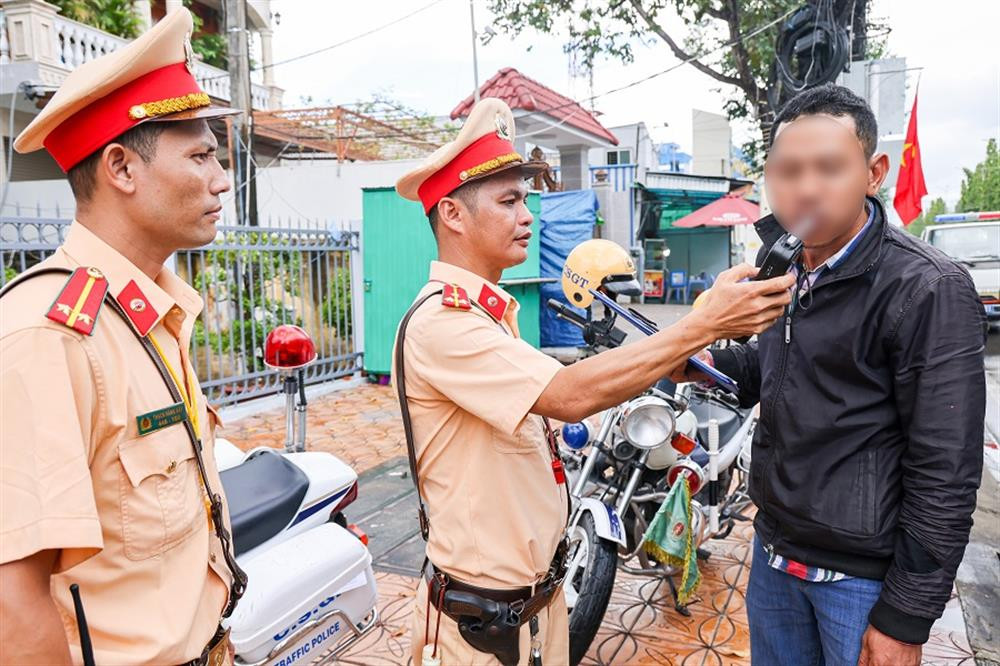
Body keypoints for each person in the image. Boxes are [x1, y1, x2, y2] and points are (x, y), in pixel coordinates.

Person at [392, 98, 796, 666]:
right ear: (453, 215)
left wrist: (693, 332)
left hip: (536, 606)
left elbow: (573, 384)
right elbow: (570, 395)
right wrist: (702, 324)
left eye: (526, 200)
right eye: (509, 201)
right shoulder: (443, 322)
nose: (528, 215)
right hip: (480, 626)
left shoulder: (488, 316)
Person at [678, 83, 987, 666]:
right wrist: (701, 358)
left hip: (861, 583)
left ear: (873, 172)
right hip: (773, 556)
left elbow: (945, 471)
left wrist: (905, 617)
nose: (806, 188)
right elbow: (777, 370)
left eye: (829, 168)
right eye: (788, 170)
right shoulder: (784, 268)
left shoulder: (927, 288)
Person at [0, 9, 246, 665]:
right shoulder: (48, 337)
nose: (222, 180)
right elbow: (14, 607)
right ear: (121, 168)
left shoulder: (149, 313)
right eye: (200, 156)